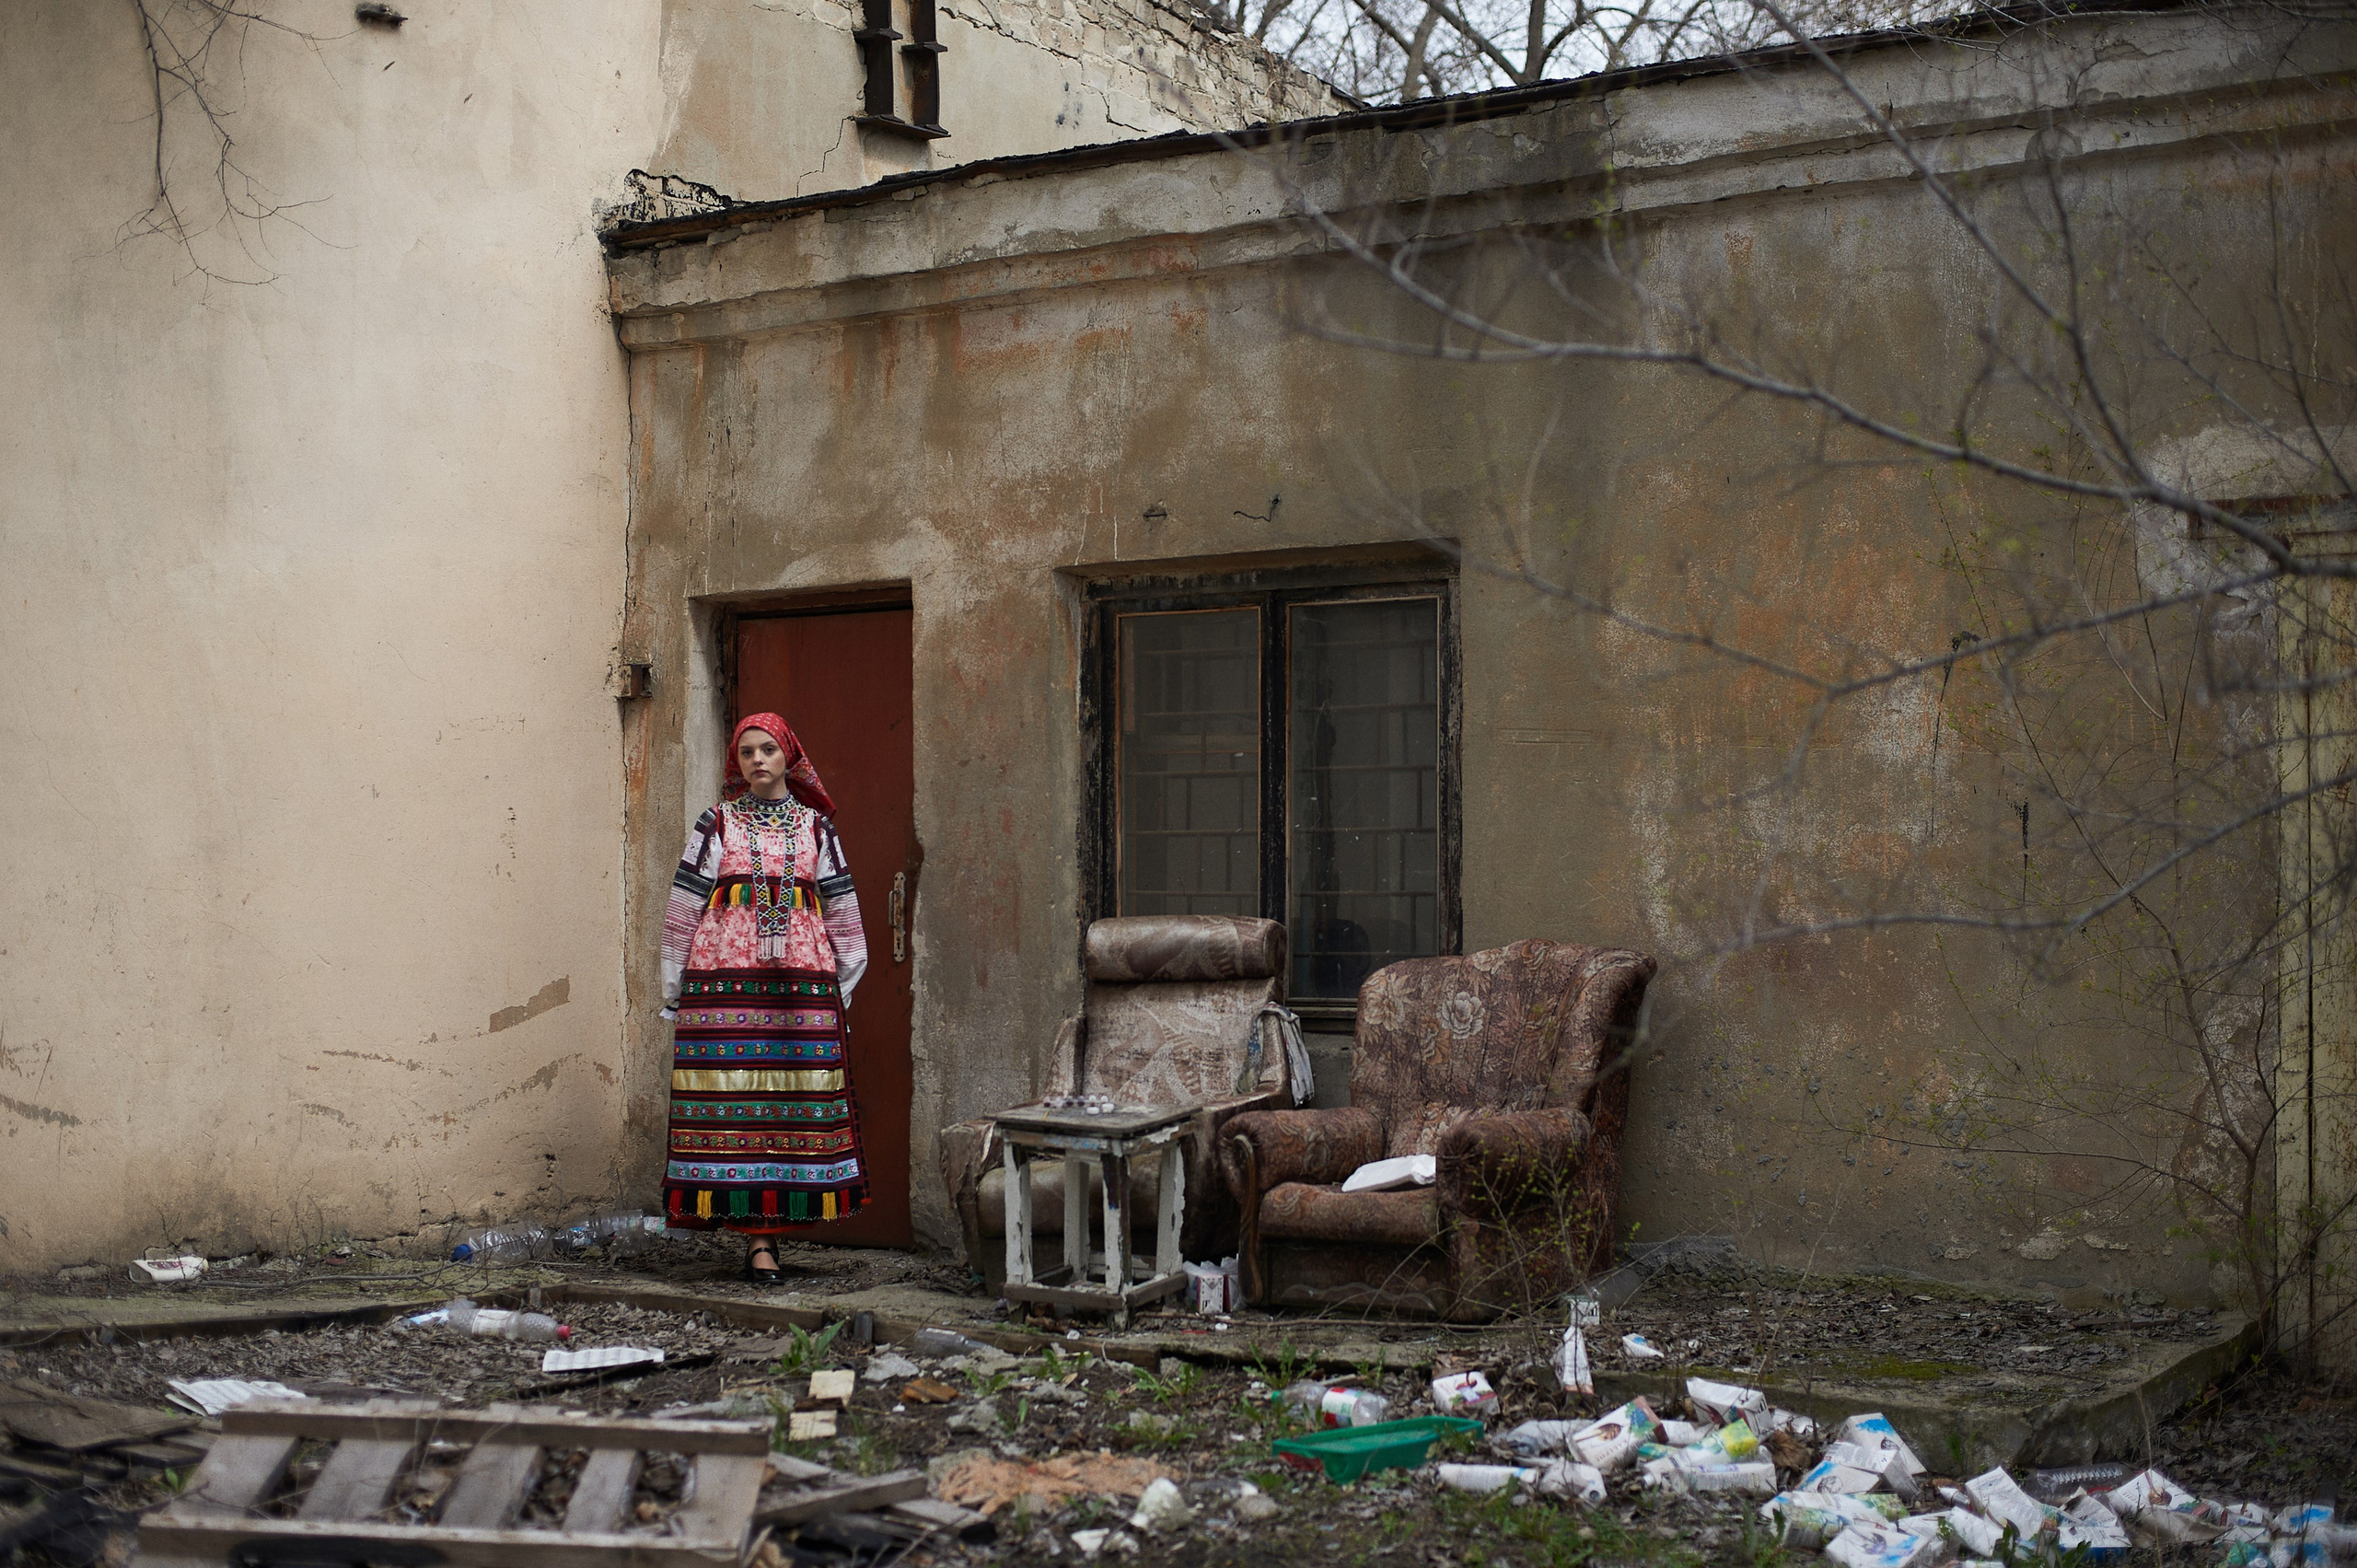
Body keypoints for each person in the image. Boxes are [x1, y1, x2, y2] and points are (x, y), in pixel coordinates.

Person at [659, 713, 869, 1283]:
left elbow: (844, 909)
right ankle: (756, 1243)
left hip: (800, 989)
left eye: (768, 750)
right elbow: (683, 906)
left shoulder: (816, 829)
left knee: (787, 1108)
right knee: (731, 1107)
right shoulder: (716, 825)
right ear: (737, 762)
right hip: (723, 985)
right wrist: (674, 987)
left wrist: (838, 988)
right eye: (747, 751)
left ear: (788, 758)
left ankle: (767, 1238)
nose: (757, 760)